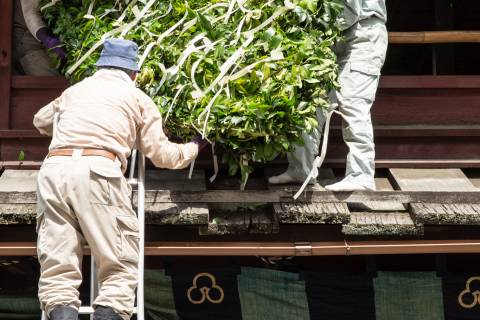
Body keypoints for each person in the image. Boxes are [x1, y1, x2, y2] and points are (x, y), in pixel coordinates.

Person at [33, 38, 206, 320]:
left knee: (57, 264)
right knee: (120, 264)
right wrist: (195, 147)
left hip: (54, 170)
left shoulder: (75, 91)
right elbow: (162, 155)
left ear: (100, 65)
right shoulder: (138, 99)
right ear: (134, 73)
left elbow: (40, 120)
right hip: (99, 170)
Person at [268, 0, 388, 191]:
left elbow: (349, 10)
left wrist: (308, 29)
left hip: (362, 34)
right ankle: (301, 169)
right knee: (308, 99)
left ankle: (361, 175)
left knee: (352, 101)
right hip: (330, 37)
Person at [13, 0, 65, 75]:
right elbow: (31, 13)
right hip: (28, 41)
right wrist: (48, 40)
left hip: (54, 29)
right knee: (53, 81)